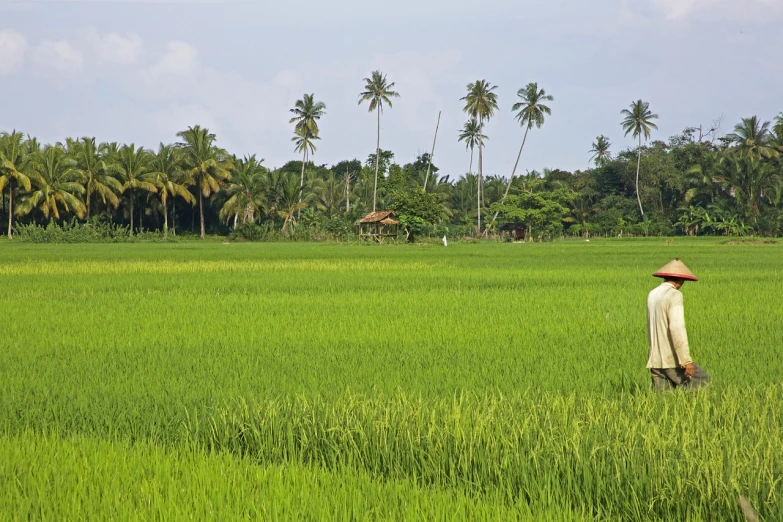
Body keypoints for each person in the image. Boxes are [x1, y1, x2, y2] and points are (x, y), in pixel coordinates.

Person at [646, 258, 710, 390]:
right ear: (680, 280)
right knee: (703, 380)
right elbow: (677, 328)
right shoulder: (674, 295)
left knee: (663, 400)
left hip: (655, 358)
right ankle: (696, 409)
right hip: (671, 358)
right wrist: (686, 361)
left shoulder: (652, 294)